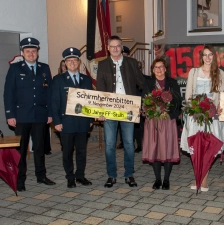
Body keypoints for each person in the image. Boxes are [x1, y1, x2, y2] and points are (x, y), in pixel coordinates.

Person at [3, 37, 55, 192]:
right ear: (22, 53)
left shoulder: (44, 68)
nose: (31, 54)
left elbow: (50, 93)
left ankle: (41, 176)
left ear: (37, 52)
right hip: (21, 116)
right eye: (28, 51)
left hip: (40, 115)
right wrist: (10, 115)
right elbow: (8, 93)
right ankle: (20, 180)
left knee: (39, 147)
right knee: (21, 149)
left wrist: (50, 113)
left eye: (34, 51)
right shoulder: (15, 69)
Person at [97, 35, 148, 188]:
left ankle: (129, 174)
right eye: (112, 46)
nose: (115, 49)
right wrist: (100, 110)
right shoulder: (103, 65)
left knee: (129, 143)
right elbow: (100, 89)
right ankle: (111, 175)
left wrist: (143, 104)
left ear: (121, 47)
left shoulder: (132, 63)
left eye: (118, 46)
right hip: (109, 110)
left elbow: (143, 84)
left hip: (128, 110)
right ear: (108, 48)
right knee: (110, 144)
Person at [181, 45, 224, 192]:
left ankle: (204, 180)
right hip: (195, 114)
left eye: (210, 55)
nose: (207, 58)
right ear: (201, 57)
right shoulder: (194, 72)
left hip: (211, 115)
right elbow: (188, 94)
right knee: (196, 147)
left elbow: (220, 96)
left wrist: (212, 110)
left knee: (209, 147)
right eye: (205, 55)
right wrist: (194, 108)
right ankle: (198, 177)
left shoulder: (219, 73)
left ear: (214, 57)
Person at [51, 47, 94, 188]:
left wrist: (91, 119)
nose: (72, 62)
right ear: (65, 63)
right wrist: (56, 121)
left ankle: (80, 176)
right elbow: (54, 102)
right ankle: (70, 177)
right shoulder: (58, 80)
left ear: (79, 62)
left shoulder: (86, 80)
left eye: (74, 60)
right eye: (69, 60)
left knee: (82, 151)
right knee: (68, 152)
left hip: (82, 122)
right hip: (66, 122)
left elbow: (90, 101)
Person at [142, 58, 182, 190]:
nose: (159, 70)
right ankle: (157, 179)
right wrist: (151, 110)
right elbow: (144, 101)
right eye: (156, 67)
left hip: (168, 121)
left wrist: (169, 113)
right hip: (153, 121)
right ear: (153, 70)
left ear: (165, 68)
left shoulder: (172, 83)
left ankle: (166, 180)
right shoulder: (148, 83)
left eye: (161, 67)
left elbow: (178, 102)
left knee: (168, 149)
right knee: (155, 149)